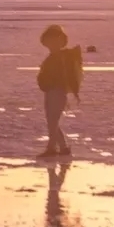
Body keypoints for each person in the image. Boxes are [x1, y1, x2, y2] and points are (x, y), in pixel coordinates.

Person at [37, 24, 75, 157]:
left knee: (53, 121)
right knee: (52, 121)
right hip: (50, 91)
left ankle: (52, 148)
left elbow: (60, 76)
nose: (51, 44)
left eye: (54, 41)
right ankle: (63, 147)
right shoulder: (53, 57)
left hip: (57, 92)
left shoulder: (60, 58)